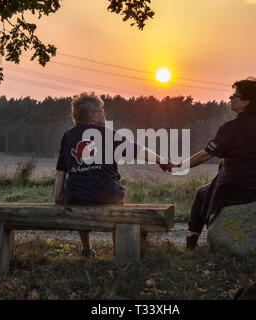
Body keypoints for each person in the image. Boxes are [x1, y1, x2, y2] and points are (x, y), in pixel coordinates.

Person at [163, 77, 256, 249]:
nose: (230, 98)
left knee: (202, 193)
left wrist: (179, 167)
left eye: (236, 95)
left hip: (233, 187)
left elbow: (205, 155)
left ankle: (192, 242)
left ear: (247, 102)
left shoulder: (230, 128)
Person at [54, 93, 173, 257]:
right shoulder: (108, 134)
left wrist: (57, 197)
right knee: (115, 195)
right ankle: (118, 249)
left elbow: (61, 171)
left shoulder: (68, 135)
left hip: (76, 198)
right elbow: (139, 150)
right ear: (92, 115)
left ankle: (87, 249)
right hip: (107, 197)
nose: (105, 113)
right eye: (102, 109)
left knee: (78, 195)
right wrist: (161, 160)